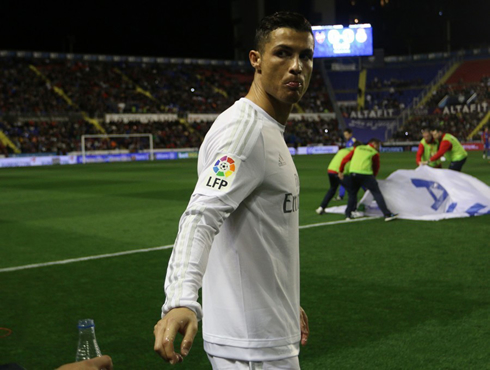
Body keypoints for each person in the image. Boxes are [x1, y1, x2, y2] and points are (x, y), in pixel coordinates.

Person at [153, 11, 313, 369]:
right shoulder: (245, 133)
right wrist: (180, 297)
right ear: (255, 59)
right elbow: (202, 213)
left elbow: (258, 238)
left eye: (306, 56)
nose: (296, 66)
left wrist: (285, 303)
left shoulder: (265, 129)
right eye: (283, 53)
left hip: (263, 335)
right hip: (251, 347)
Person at [339, 138, 398, 221]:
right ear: (375, 144)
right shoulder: (374, 152)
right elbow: (376, 167)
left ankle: (348, 214)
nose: (379, 148)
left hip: (353, 173)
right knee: (376, 193)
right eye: (378, 145)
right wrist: (373, 176)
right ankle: (387, 214)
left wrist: (341, 171)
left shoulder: (358, 148)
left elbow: (345, 159)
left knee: (352, 194)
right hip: (366, 174)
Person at [316, 141, 361, 215]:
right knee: (352, 191)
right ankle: (352, 211)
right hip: (339, 172)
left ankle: (321, 207)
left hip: (330, 170)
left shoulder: (344, 150)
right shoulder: (354, 152)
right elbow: (349, 164)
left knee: (332, 189)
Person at [334, 128, 357, 200]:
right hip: (349, 163)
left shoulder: (353, 142)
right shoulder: (348, 142)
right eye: (345, 135)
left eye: (347, 134)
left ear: (350, 134)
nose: (346, 136)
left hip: (353, 163)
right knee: (344, 178)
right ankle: (340, 196)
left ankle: (368, 192)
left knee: (357, 179)